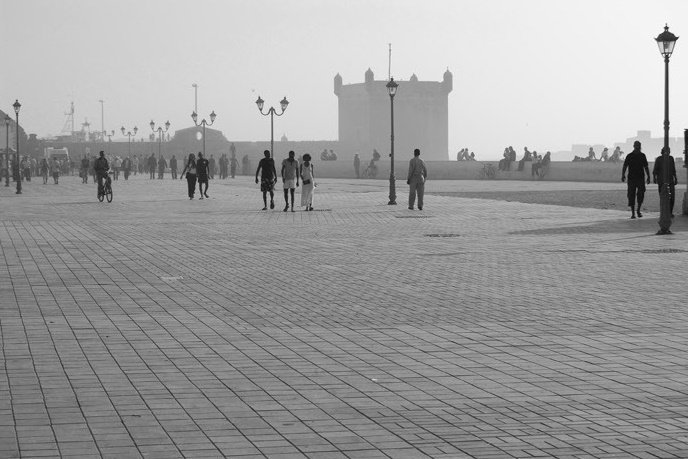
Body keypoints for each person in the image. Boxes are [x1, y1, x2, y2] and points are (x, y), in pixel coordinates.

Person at [622, 140, 650, 219]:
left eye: (638, 146)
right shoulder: (629, 156)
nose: (637, 147)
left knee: (641, 194)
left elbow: (646, 167)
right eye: (636, 146)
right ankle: (633, 212)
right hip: (631, 178)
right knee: (631, 195)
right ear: (634, 146)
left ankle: (638, 210)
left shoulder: (642, 156)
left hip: (640, 178)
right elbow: (625, 166)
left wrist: (648, 176)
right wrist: (623, 175)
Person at [652, 147, 678, 218]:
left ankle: (670, 212)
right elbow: (655, 170)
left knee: (672, 197)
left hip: (670, 181)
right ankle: (664, 212)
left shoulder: (671, 159)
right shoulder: (659, 159)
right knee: (663, 197)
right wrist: (654, 178)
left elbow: (673, 169)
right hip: (661, 181)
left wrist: (675, 178)